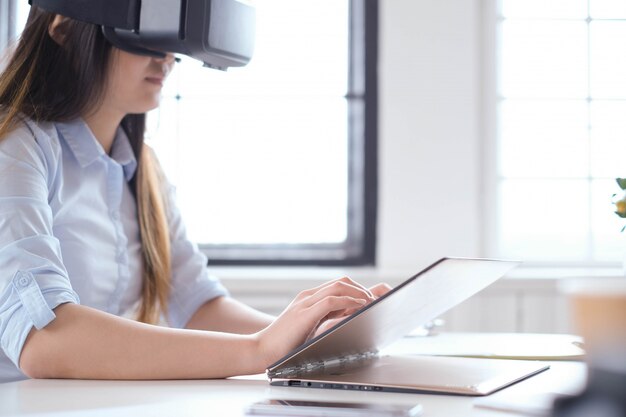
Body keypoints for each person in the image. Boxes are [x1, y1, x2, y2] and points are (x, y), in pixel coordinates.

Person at [0, 7, 389, 383]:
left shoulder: (143, 168)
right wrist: (258, 350)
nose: (166, 58)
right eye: (144, 34)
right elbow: (42, 339)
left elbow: (195, 304)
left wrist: (309, 339)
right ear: (63, 25)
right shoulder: (16, 149)